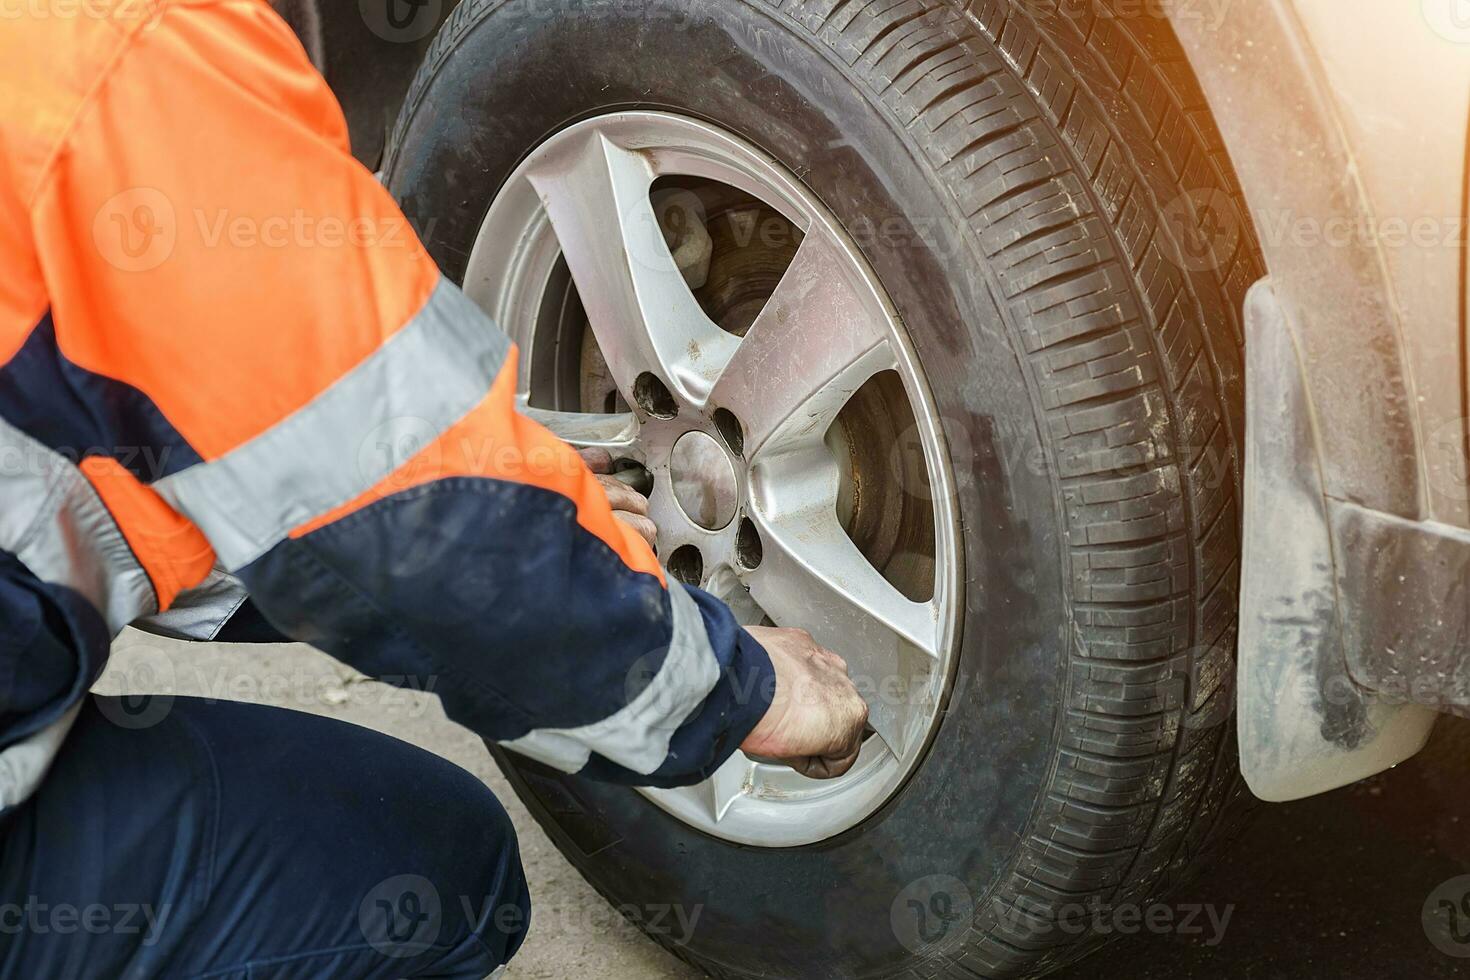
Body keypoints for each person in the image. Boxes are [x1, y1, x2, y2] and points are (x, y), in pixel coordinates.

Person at [0, 0, 869, 975]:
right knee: (432, 878)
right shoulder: (123, 54)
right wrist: (738, 688)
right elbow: (415, 542)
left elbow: (132, 443)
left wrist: (507, 487)